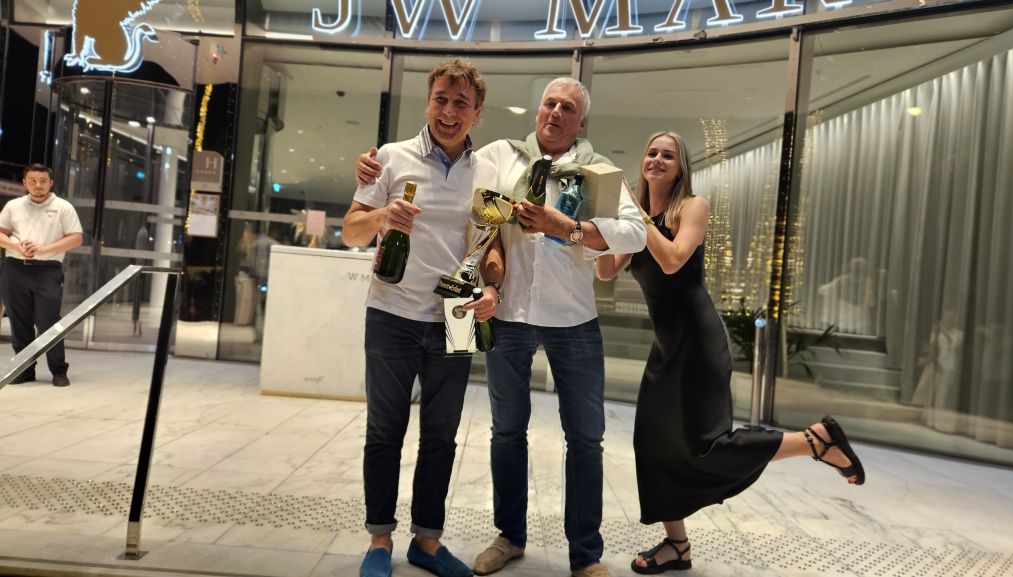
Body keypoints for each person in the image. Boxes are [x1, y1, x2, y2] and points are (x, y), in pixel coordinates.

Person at [357, 77, 647, 577]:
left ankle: (586, 555)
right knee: (506, 433)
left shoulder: (599, 172)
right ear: (538, 111)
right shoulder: (498, 157)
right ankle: (509, 536)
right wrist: (372, 167)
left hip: (572, 319)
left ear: (582, 121)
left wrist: (568, 227)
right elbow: (475, 215)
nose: (555, 113)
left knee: (586, 439)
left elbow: (635, 233)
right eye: (549, 103)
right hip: (505, 314)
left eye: (568, 107)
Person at [594, 132, 866, 575]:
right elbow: (607, 270)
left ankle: (814, 441)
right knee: (653, 441)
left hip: (698, 343)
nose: (657, 159)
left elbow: (672, 260)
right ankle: (677, 545)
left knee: (705, 444)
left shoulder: (691, 207)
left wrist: (637, 217)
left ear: (681, 168)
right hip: (666, 346)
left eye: (668, 155)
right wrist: (608, 221)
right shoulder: (637, 218)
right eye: (651, 152)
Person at [342, 59, 497, 577]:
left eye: (460, 103)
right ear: (428, 102)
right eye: (440, 100)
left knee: (441, 436)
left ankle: (427, 543)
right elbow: (351, 231)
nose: (448, 112)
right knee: (384, 431)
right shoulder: (390, 158)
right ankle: (379, 541)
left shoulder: (487, 171)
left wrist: (492, 286)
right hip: (392, 311)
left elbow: (489, 246)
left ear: (477, 112)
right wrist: (381, 216)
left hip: (457, 312)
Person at [0, 164, 83, 387]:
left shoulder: (63, 207)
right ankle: (25, 370)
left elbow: (76, 237)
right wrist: (16, 246)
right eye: (33, 181)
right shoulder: (13, 206)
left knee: (48, 321)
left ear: (51, 183)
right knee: (19, 321)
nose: (38, 185)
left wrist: (44, 249)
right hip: (14, 268)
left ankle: (58, 370)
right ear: (24, 183)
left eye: (43, 181)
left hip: (48, 270)